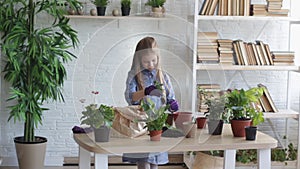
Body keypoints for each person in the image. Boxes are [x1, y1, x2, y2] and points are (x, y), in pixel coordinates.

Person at [124, 36, 179, 169]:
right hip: (141, 124)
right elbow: (130, 97)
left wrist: (172, 104)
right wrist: (145, 91)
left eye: (154, 60)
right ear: (139, 60)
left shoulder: (162, 76)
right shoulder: (134, 75)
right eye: (146, 62)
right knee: (143, 161)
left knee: (155, 160)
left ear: (158, 58)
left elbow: (170, 96)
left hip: (158, 124)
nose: (151, 65)